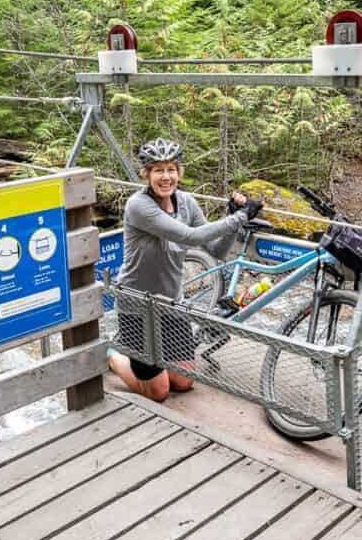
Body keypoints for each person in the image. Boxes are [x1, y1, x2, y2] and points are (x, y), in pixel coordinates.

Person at [108, 137, 263, 402]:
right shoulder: (139, 205)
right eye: (158, 170)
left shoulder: (187, 202)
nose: (165, 177)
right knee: (159, 392)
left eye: (171, 169)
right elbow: (189, 237)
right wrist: (239, 217)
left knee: (184, 381)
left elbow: (215, 250)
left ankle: (148, 360)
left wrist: (233, 218)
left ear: (179, 172)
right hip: (138, 306)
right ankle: (114, 356)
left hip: (172, 303)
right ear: (147, 175)